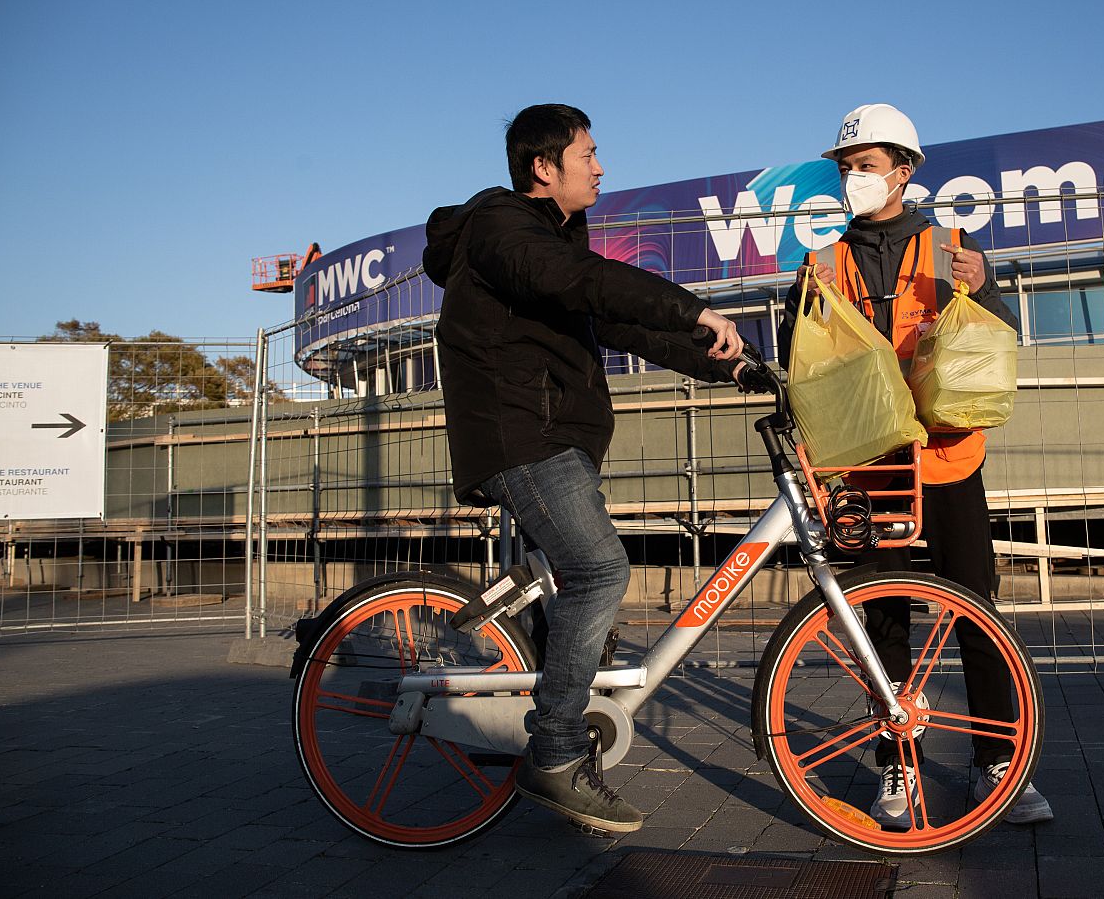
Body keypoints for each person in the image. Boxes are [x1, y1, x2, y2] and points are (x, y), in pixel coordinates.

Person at [424, 104, 745, 834]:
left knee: (571, 597)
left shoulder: (549, 240)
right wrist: (693, 309)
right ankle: (557, 754)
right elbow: (590, 284)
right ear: (545, 167)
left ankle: (539, 727)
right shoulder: (505, 229)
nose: (601, 167)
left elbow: (613, 320)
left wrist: (723, 364)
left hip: (551, 438)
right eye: (589, 154)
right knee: (600, 570)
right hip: (521, 438)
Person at [778, 103, 1053, 828]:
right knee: (880, 621)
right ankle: (897, 766)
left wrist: (985, 285)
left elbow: (998, 343)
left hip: (945, 458)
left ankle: (999, 764)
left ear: (903, 171)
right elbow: (801, 360)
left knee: (977, 610)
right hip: (865, 467)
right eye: (846, 167)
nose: (852, 179)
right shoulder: (821, 263)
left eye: (865, 166)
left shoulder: (953, 250)